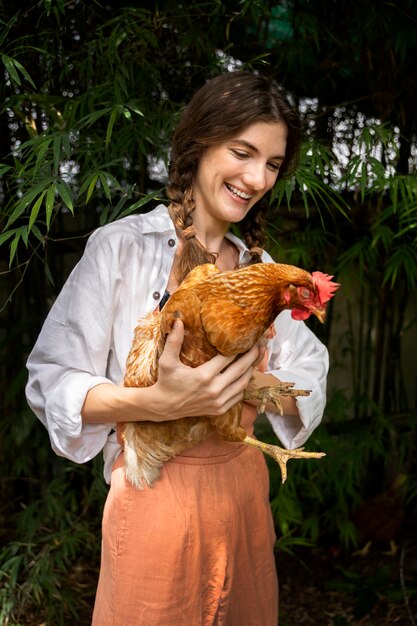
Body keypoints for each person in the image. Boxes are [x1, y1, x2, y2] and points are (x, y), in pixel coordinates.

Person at [26, 71, 329, 625]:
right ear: (197, 146)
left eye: (273, 164)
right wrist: (158, 402)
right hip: (153, 495)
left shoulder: (261, 274)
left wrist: (255, 388)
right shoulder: (122, 249)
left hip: (242, 494)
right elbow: (53, 379)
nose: (257, 177)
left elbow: (312, 369)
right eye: (242, 152)